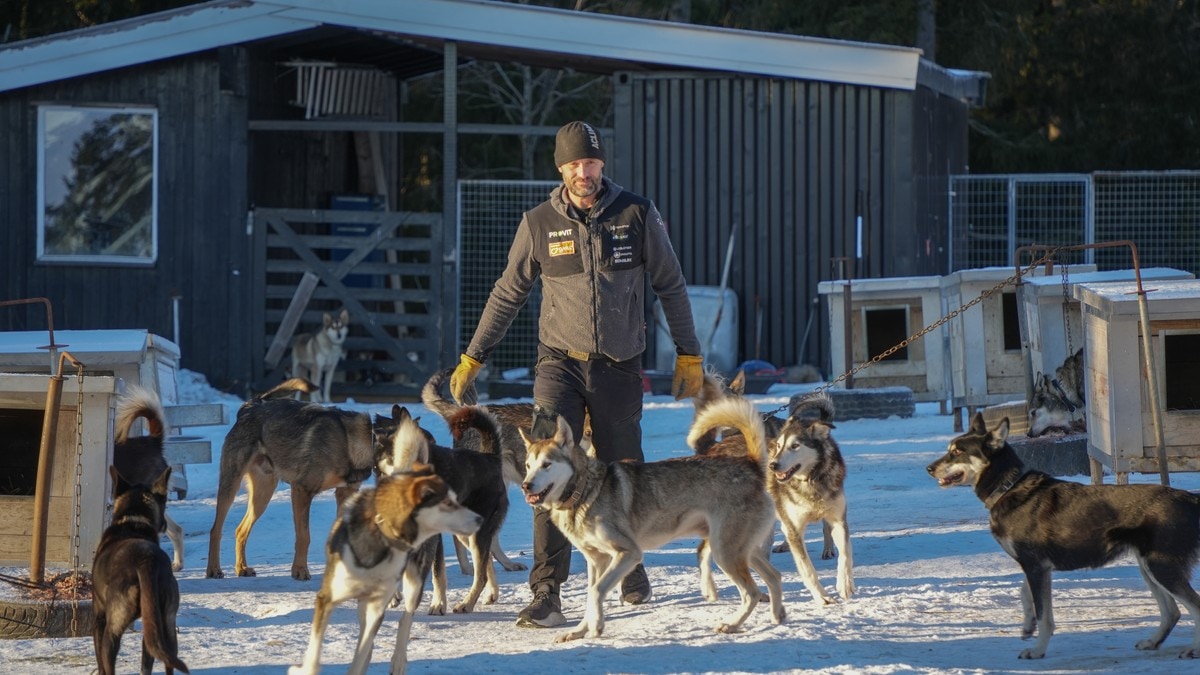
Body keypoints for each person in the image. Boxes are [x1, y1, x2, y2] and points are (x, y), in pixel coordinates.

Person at [450, 120, 704, 628]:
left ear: (601, 164)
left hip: (618, 364)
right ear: (561, 168)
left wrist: (689, 354)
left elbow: (670, 286)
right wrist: (473, 356)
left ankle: (627, 562)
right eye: (573, 165)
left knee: (622, 467)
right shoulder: (540, 222)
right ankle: (547, 592)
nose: (582, 172)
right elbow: (507, 293)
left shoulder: (636, 213)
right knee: (546, 471)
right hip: (557, 364)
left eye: (590, 163)